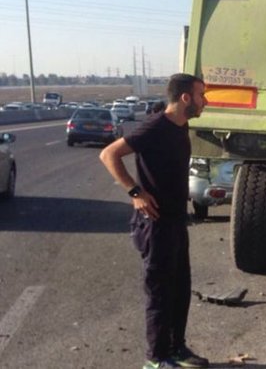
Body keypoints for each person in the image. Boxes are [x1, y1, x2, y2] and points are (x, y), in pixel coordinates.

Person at [99, 73, 210, 369]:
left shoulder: (182, 125)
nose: (205, 101)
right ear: (185, 97)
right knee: (159, 292)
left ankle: (176, 348)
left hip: (175, 221)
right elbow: (109, 154)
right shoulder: (155, 127)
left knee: (180, 288)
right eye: (201, 95)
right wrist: (135, 192)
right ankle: (156, 358)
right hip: (156, 223)